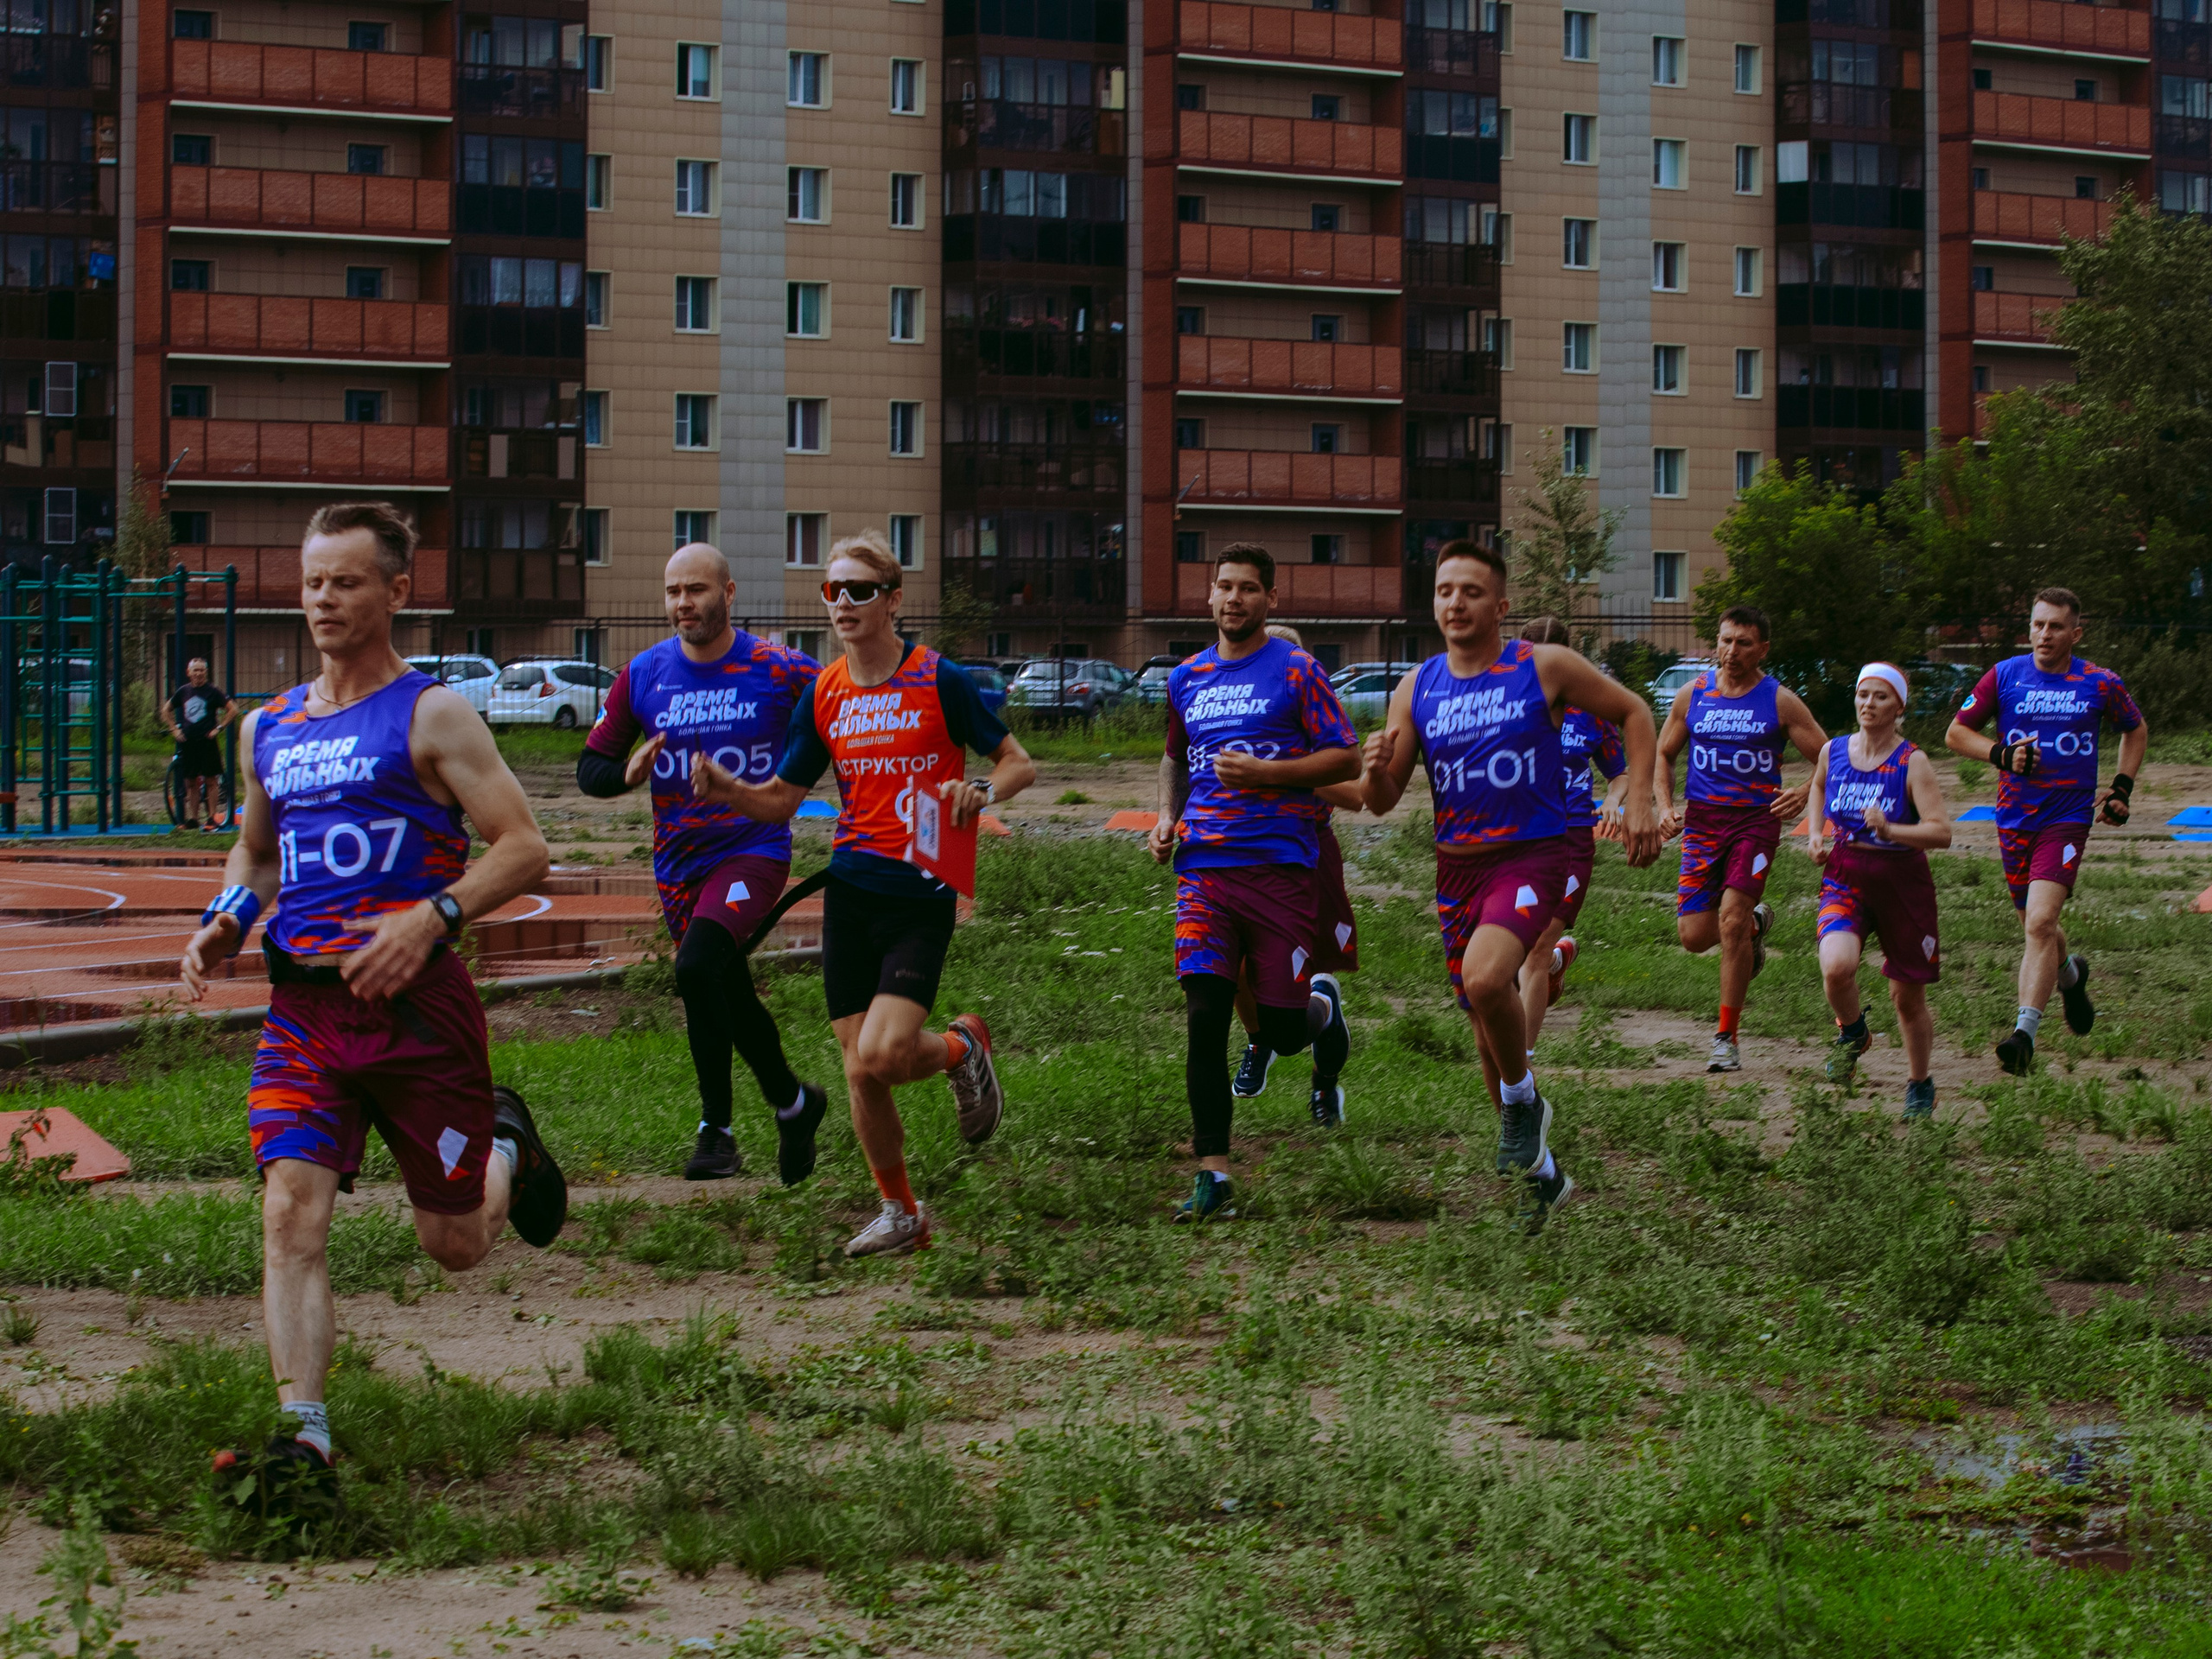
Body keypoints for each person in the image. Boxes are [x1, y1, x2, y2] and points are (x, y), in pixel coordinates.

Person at [177, 501, 567, 1511]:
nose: (322, 600)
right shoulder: (268, 726)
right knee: (288, 1212)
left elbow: (523, 847)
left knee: (455, 1247)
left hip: (418, 1014)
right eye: (312, 581)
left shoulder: (432, 714)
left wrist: (430, 917)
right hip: (304, 1015)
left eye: (345, 582)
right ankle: (302, 1441)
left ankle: (507, 1146)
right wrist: (226, 916)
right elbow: (260, 853)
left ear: (396, 591)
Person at [692, 531, 1035, 1258]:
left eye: (858, 590)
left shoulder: (939, 679)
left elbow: (1017, 763)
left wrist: (979, 789)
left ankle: (960, 1046)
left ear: (892, 599)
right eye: (831, 591)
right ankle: (901, 1211)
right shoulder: (824, 692)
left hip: (918, 891)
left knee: (881, 1054)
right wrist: (728, 790)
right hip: (850, 891)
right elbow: (784, 798)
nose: (841, 604)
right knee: (859, 1068)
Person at [1360, 542, 1661, 1233]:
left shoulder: (1541, 665)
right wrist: (1375, 766)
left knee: (1488, 979)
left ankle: (1524, 1100)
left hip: (1531, 857)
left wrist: (1638, 797)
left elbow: (1636, 714)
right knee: (1482, 1025)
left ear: (1499, 607)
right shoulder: (1418, 687)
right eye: (1443, 591)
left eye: (1469, 591)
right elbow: (1381, 800)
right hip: (1455, 868)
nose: (1454, 603)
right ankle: (1544, 1179)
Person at [575, 543, 827, 1184]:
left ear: (729, 592)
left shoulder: (779, 669)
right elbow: (590, 769)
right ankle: (794, 1104)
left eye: (697, 590)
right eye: (673, 592)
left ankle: (716, 1131)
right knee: (724, 985)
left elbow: (842, 719)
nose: (683, 603)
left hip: (753, 852)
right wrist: (625, 771)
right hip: (677, 867)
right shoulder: (645, 674)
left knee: (695, 967)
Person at [1150, 546, 1359, 1222]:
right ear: (1209, 597)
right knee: (1205, 1017)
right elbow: (1175, 758)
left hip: (1282, 869)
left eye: (1247, 589)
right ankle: (1214, 1176)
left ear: (1271, 598)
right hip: (1205, 868)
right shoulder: (1186, 677)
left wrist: (1269, 774)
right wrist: (1165, 817)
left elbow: (1345, 758)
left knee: (1283, 1031)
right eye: (1223, 587)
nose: (1232, 599)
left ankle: (1322, 1016)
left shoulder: (1299, 671)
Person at [1944, 587, 2145, 1077]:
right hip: (2014, 820)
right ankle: (2072, 977)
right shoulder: (2005, 675)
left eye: (2055, 626)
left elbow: (2134, 729)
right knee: (2039, 929)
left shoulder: (2100, 682)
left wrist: (2120, 788)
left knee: (2039, 923)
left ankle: (2023, 1037)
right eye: (2038, 624)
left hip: (2067, 819)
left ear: (2075, 633)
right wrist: (2002, 754)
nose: (2044, 634)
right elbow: (1955, 733)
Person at [1655, 606, 1827, 1073]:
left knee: (1727, 924)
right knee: (1693, 937)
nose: (1732, 652)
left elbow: (1831, 757)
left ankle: (1725, 1039)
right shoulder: (1693, 695)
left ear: (1763, 649)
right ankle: (1754, 927)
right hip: (1703, 825)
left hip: (1754, 824)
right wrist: (1665, 806)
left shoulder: (1779, 701)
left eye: (1744, 643)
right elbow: (1664, 753)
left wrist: (1802, 789)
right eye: (1726, 641)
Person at [1228, 622, 1367, 1123]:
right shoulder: (1238, 713)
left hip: (1309, 860)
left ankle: (1324, 1087)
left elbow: (1356, 794)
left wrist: (1286, 770)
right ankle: (1258, 1039)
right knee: (1235, 967)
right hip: (1246, 858)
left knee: (1313, 980)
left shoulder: (1315, 717)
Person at [1806, 664, 1953, 1117]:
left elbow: (1941, 832)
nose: (1869, 703)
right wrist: (1815, 833)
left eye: (1881, 697)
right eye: (1862, 694)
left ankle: (1919, 1084)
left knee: (1906, 998)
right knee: (1836, 967)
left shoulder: (1913, 761)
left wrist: (1892, 829)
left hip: (1902, 882)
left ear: (1899, 707)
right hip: (1846, 873)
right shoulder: (1834, 750)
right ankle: (1853, 1033)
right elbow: (1816, 786)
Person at [1516, 616, 1627, 1055]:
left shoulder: (1591, 710)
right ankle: (1556, 962)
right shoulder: (1504, 705)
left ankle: (1519, 1068)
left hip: (1572, 838)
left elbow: (1618, 774)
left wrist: (1616, 800)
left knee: (1536, 948)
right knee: (1513, 953)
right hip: (1516, 839)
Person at [165, 656, 237, 830]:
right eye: (195, 670)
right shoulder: (183, 691)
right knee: (191, 782)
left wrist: (219, 728)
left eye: (202, 670)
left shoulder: (213, 691)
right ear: (189, 673)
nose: (198, 673)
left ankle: (212, 818)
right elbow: (165, 710)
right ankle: (193, 819)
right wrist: (174, 729)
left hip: (207, 741)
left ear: (206, 672)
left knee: (211, 780)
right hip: (188, 742)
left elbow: (233, 709)